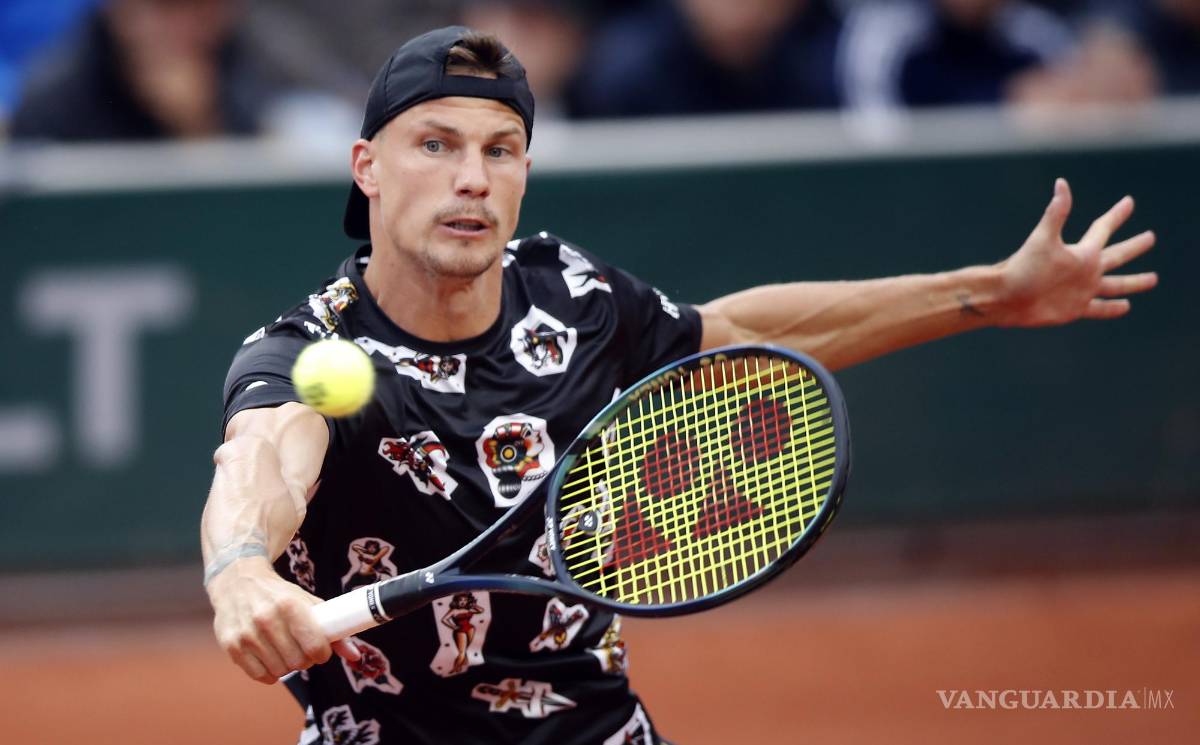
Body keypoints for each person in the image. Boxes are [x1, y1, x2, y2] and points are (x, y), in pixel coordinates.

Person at [201, 26, 1158, 745]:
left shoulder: (572, 298)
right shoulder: (307, 355)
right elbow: (263, 458)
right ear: (367, 167)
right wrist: (243, 568)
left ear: (525, 173)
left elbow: (746, 333)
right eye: (436, 144)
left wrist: (990, 292)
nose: (472, 179)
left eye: (500, 150)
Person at [11, 0, 268, 141]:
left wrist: (198, 126)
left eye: (201, 9)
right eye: (166, 8)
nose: (182, 28)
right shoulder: (54, 96)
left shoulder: (252, 72)